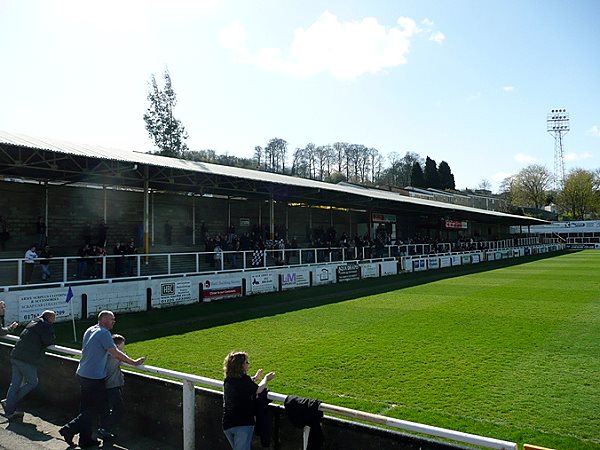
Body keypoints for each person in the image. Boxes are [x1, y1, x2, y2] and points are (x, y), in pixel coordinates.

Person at [59, 311, 145, 448]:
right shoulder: (104, 333)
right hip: (94, 377)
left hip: (82, 373)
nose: (114, 322)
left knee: (86, 408)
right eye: (112, 319)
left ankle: (85, 440)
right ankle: (69, 428)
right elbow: (115, 352)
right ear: (104, 319)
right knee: (99, 408)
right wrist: (134, 362)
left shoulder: (90, 329)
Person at [2, 310, 56, 421]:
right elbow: (49, 341)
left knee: (15, 384)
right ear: (49, 317)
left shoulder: (33, 322)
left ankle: (9, 407)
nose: (54, 320)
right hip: (26, 360)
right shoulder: (45, 326)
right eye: (53, 318)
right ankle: (9, 403)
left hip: (15, 355)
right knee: (32, 382)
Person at [222, 351, 275, 450]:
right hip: (242, 424)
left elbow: (243, 385)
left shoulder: (228, 380)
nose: (248, 364)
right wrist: (266, 379)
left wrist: (255, 378)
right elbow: (259, 389)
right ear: (240, 366)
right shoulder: (244, 380)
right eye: (246, 362)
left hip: (227, 424)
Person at [98, 334, 126, 439]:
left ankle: (104, 428)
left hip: (103, 384)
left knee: (106, 408)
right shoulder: (114, 355)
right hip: (112, 385)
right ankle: (105, 428)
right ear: (117, 345)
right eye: (123, 345)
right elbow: (123, 358)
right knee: (118, 409)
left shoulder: (104, 353)